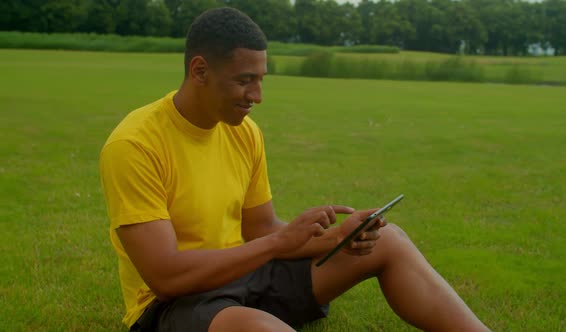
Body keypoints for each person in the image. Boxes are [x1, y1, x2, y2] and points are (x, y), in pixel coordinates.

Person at [100, 7, 490, 332]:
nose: (257, 96)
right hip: (173, 306)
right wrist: (277, 243)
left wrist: (336, 236)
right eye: (245, 81)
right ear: (200, 71)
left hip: (246, 276)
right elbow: (165, 276)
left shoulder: (244, 133)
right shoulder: (136, 144)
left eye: (261, 80)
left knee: (390, 240)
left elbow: (261, 229)